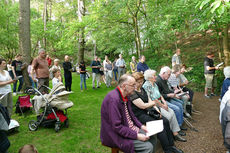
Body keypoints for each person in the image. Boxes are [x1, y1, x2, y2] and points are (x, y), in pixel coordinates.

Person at [100, 74, 157, 153]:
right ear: (124, 86)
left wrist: (141, 126)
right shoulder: (113, 99)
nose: (135, 87)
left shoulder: (126, 95)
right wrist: (137, 136)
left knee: (152, 136)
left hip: (129, 128)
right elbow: (117, 127)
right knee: (148, 147)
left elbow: (131, 115)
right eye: (133, 85)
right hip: (115, 135)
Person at [130, 72, 184, 153]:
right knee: (159, 125)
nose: (140, 83)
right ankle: (167, 149)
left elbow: (149, 100)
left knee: (165, 120)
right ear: (134, 82)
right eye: (138, 82)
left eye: (141, 81)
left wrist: (157, 110)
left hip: (148, 111)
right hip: (139, 115)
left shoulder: (142, 89)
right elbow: (143, 106)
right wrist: (154, 103)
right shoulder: (132, 93)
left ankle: (171, 145)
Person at [142, 70, 186, 142]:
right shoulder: (146, 86)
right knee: (168, 116)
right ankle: (171, 133)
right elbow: (153, 99)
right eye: (154, 75)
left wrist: (165, 103)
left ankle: (175, 133)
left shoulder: (154, 84)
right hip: (154, 105)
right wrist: (162, 105)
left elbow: (160, 95)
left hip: (161, 102)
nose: (156, 76)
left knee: (172, 112)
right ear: (149, 77)